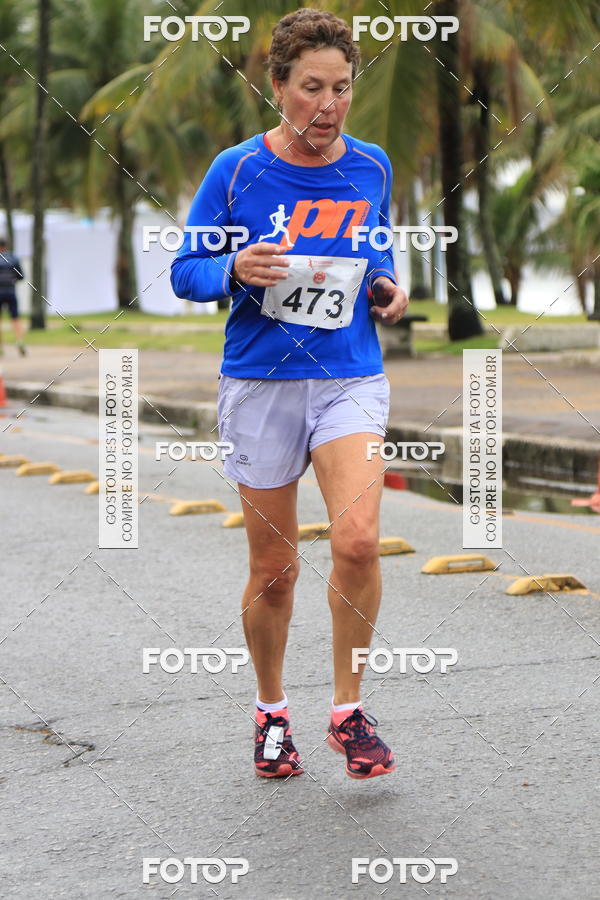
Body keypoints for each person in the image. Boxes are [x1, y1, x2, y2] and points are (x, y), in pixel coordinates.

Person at [171, 8, 409, 780]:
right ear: (277, 86)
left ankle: (348, 710)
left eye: (342, 88)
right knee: (274, 569)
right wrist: (233, 269)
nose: (329, 105)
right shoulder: (235, 171)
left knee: (359, 540)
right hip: (260, 383)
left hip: (348, 377)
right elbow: (186, 273)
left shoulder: (371, 165)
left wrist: (386, 286)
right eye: (312, 88)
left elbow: (375, 250)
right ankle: (272, 712)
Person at [0, 237, 26, 356]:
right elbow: (21, 276)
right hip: (11, 291)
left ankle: (1, 347)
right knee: (15, 318)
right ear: (6, 245)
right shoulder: (14, 258)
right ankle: (20, 341)